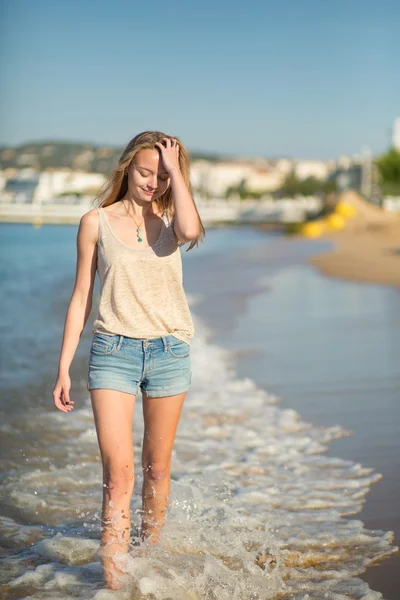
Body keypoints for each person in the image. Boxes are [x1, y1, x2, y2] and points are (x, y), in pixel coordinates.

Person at [52, 131, 205, 589]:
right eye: (145, 172)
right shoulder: (94, 222)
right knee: (118, 475)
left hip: (169, 351)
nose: (152, 183)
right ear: (126, 169)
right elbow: (81, 296)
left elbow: (194, 232)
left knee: (157, 469)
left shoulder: (174, 218)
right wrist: (63, 366)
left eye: (161, 176)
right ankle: (115, 586)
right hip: (113, 351)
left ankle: (148, 565)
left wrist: (175, 170)